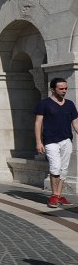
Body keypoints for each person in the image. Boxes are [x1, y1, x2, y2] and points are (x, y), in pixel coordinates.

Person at [34, 77, 78, 208]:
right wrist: (38, 141)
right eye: (61, 88)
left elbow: (75, 123)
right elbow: (38, 123)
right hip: (50, 141)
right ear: (53, 89)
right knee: (55, 167)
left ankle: (58, 195)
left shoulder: (70, 104)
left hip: (66, 140)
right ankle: (53, 196)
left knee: (63, 170)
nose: (64, 91)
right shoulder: (44, 104)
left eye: (66, 88)